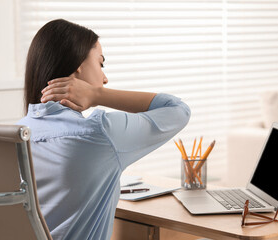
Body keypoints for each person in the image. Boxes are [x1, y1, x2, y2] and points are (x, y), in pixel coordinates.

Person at [17, 19, 190, 240]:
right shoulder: (99, 133)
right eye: (101, 64)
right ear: (79, 66)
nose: (105, 78)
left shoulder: (16, 134)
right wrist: (98, 95)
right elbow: (178, 109)